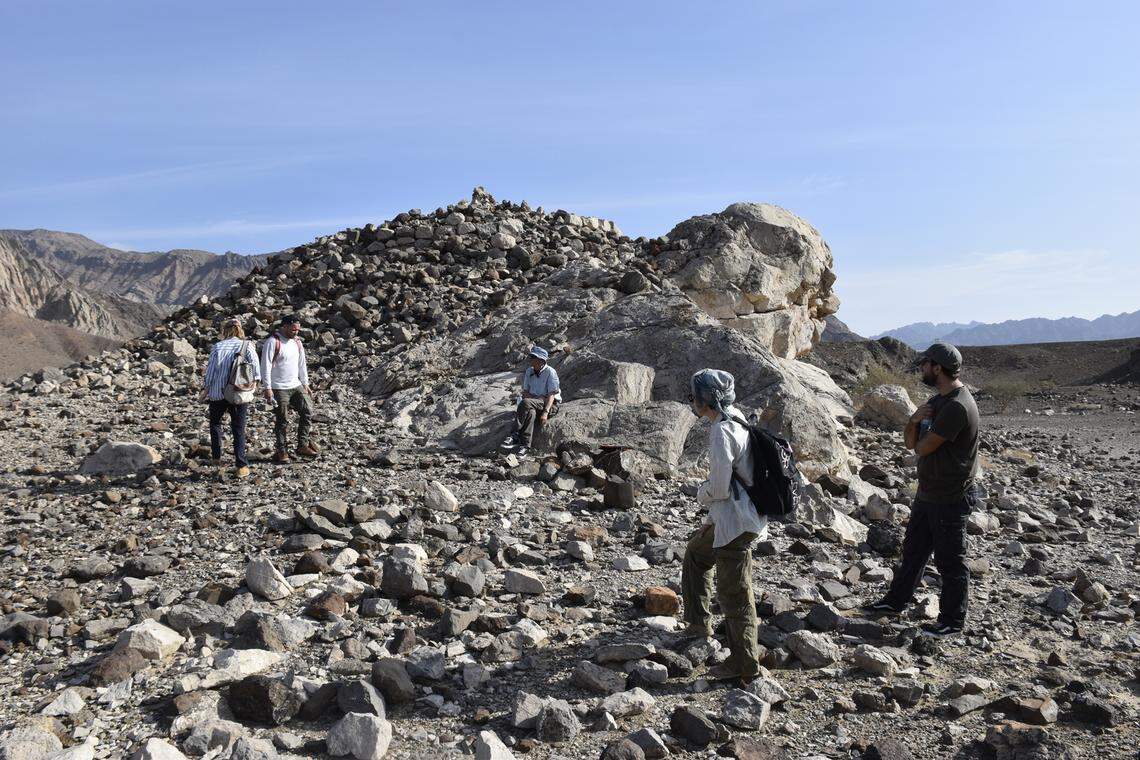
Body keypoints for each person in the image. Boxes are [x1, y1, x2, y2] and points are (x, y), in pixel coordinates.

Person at [864, 341, 980, 636]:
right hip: (930, 492)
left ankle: (953, 621)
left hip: (950, 495)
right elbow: (910, 442)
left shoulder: (956, 406)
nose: (922, 369)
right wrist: (914, 420)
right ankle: (895, 602)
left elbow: (923, 447)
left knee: (951, 561)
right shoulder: (939, 400)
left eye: (925, 364)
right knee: (914, 552)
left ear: (938, 368)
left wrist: (916, 424)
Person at [680, 368, 767, 684]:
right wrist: (711, 520)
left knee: (735, 594)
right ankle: (697, 624)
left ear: (705, 399)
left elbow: (718, 489)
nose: (692, 402)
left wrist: (699, 492)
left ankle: (745, 666)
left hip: (736, 525)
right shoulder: (737, 418)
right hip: (738, 517)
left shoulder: (721, 433)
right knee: (696, 553)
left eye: (694, 396)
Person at [200, 317, 260, 478]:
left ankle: (217, 457)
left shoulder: (218, 347)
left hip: (218, 393)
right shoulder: (247, 345)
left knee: (215, 424)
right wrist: (252, 388)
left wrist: (205, 390)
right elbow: (256, 369)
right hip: (239, 392)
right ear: (240, 330)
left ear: (225, 330)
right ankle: (241, 465)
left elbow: (211, 372)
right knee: (238, 429)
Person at [260, 315, 318, 463]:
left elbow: (301, 363)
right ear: (284, 326)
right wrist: (267, 387)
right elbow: (265, 366)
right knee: (282, 420)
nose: (296, 332)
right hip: (279, 387)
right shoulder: (273, 342)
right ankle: (282, 451)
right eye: (293, 329)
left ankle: (302, 445)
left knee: (308, 411)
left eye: (298, 330)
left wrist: (305, 383)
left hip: (295, 384)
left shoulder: (297, 342)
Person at [503, 345, 561, 457]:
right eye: (531, 357)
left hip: (550, 404)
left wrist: (545, 412)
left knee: (525, 403)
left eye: (533, 357)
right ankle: (525, 446)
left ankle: (514, 434)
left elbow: (551, 395)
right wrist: (536, 399)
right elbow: (525, 392)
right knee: (531, 412)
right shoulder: (529, 371)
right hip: (535, 402)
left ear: (541, 360)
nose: (531, 360)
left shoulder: (550, 372)